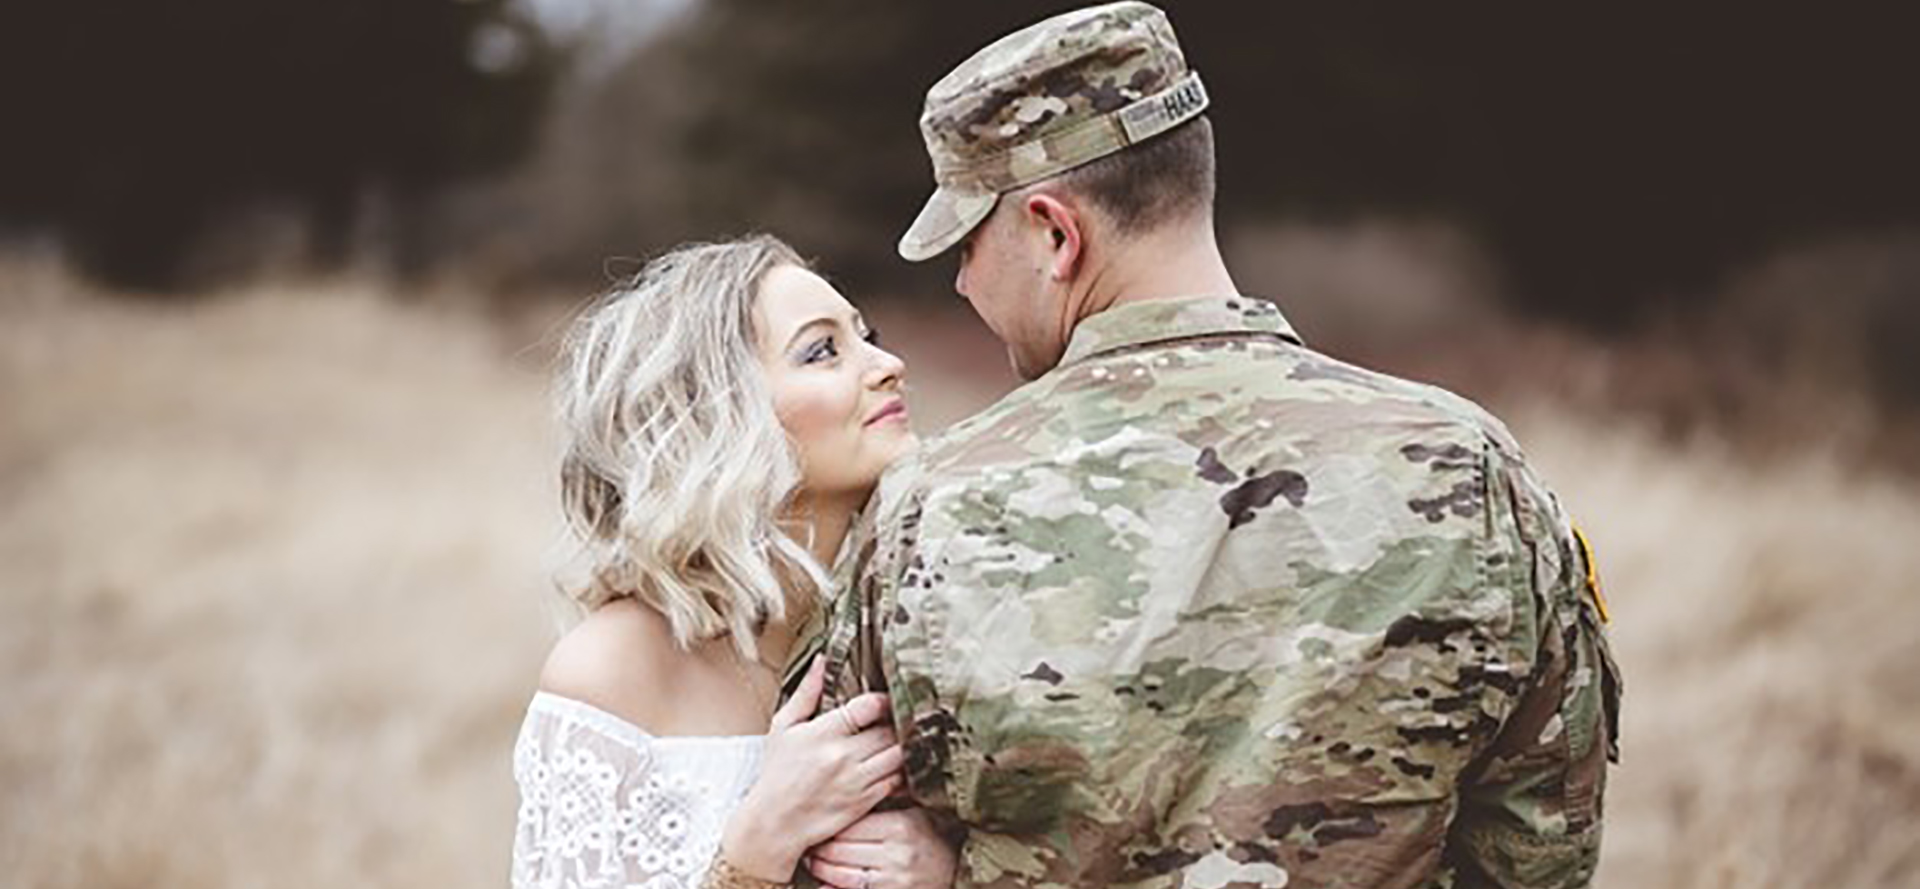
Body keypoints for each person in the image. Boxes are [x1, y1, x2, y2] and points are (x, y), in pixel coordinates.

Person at [793, 4, 1623, 887]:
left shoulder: (931, 508)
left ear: (1054, 233)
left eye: (966, 241)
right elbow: (1541, 849)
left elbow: (841, 841)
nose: (960, 280)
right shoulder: (1472, 468)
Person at [511, 236, 959, 889]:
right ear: (717, 414)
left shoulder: (921, 618)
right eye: (822, 350)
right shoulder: (611, 671)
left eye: (869, 335)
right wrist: (755, 851)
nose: (888, 363)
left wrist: (954, 875)